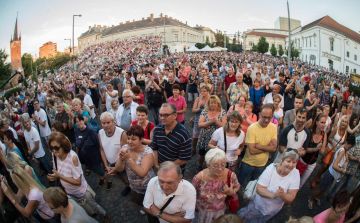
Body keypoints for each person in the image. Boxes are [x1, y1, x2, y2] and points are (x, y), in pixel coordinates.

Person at [47, 132, 110, 222]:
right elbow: (56, 170)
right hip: (69, 193)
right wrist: (55, 177)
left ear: (64, 145)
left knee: (94, 206)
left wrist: (59, 176)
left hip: (82, 191)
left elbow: (78, 182)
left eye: (56, 147)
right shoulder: (54, 156)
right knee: (85, 209)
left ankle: (105, 215)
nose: (54, 150)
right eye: (51, 148)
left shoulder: (72, 158)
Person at [238, 149, 300, 223]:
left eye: (294, 162)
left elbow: (291, 197)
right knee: (246, 219)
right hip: (258, 206)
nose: (291, 165)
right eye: (288, 161)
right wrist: (273, 195)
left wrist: (283, 195)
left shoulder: (295, 174)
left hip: (272, 210)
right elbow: (260, 189)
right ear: (282, 159)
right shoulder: (271, 168)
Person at [192, 149, 240, 223]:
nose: (220, 169)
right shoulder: (199, 178)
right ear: (208, 165)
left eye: (223, 165)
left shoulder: (231, 176)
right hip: (202, 211)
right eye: (215, 166)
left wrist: (232, 192)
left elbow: (237, 186)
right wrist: (192, 205)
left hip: (219, 211)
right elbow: (191, 192)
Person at [113, 125, 155, 206]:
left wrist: (128, 159)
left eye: (133, 139)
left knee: (152, 204)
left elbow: (142, 173)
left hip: (149, 186)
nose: (129, 141)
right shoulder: (125, 148)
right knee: (139, 202)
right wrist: (121, 159)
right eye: (128, 138)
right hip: (134, 186)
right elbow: (119, 169)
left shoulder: (147, 152)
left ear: (141, 139)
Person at [308, 135, 355, 210]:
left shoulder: (344, 149)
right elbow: (334, 166)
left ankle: (317, 197)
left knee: (324, 189)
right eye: (349, 147)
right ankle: (311, 198)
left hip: (332, 174)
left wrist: (346, 162)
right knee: (321, 189)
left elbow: (347, 159)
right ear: (346, 142)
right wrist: (342, 171)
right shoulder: (343, 151)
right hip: (331, 173)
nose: (349, 149)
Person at [237, 104, 277, 185]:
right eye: (264, 117)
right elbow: (252, 151)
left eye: (269, 117)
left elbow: (274, 149)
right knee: (238, 183)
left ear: (272, 116)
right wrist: (267, 147)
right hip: (248, 163)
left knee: (252, 185)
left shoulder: (273, 127)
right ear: (260, 115)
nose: (266, 120)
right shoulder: (252, 128)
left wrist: (258, 146)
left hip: (262, 164)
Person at [151, 103, 192, 174]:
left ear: (175, 115)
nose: (162, 118)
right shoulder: (157, 129)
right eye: (160, 115)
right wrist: (156, 165)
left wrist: (166, 167)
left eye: (166, 115)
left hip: (175, 171)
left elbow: (184, 158)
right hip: (160, 168)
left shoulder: (184, 134)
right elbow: (154, 148)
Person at [74, 114, 112, 189]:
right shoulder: (77, 131)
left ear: (83, 120)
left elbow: (98, 145)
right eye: (76, 122)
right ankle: (102, 179)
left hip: (94, 157)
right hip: (85, 158)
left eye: (80, 121)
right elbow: (77, 143)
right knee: (94, 170)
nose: (79, 123)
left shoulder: (91, 132)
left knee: (99, 170)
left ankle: (109, 181)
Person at [311, 115, 349, 189]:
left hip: (336, 153)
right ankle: (315, 179)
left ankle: (320, 177)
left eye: (346, 122)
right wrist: (333, 143)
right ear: (340, 122)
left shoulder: (345, 133)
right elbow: (329, 138)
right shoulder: (336, 129)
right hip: (330, 149)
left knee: (328, 166)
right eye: (343, 121)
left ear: (347, 124)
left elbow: (344, 142)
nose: (344, 123)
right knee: (324, 165)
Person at [98, 112, 128, 196]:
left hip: (122, 163)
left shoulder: (121, 134)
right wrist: (106, 165)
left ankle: (132, 187)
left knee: (127, 177)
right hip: (111, 164)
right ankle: (127, 186)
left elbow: (126, 154)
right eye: (103, 123)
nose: (106, 125)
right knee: (120, 177)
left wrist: (117, 167)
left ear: (113, 122)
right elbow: (102, 149)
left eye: (108, 122)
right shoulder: (100, 133)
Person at [197, 96, 227, 172]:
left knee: (215, 155)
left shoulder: (222, 112)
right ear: (209, 104)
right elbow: (200, 124)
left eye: (215, 103)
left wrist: (216, 122)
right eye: (211, 103)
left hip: (217, 138)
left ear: (218, 104)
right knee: (201, 153)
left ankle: (211, 167)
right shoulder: (204, 111)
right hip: (204, 136)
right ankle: (200, 166)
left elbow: (225, 126)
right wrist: (210, 122)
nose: (213, 104)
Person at [299, 114, 327, 188]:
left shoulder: (324, 135)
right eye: (322, 122)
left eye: (325, 123)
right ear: (317, 122)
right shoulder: (310, 132)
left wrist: (321, 148)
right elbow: (303, 149)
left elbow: (322, 152)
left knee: (301, 183)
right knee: (294, 179)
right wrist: (315, 149)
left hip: (312, 163)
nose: (323, 125)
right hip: (302, 160)